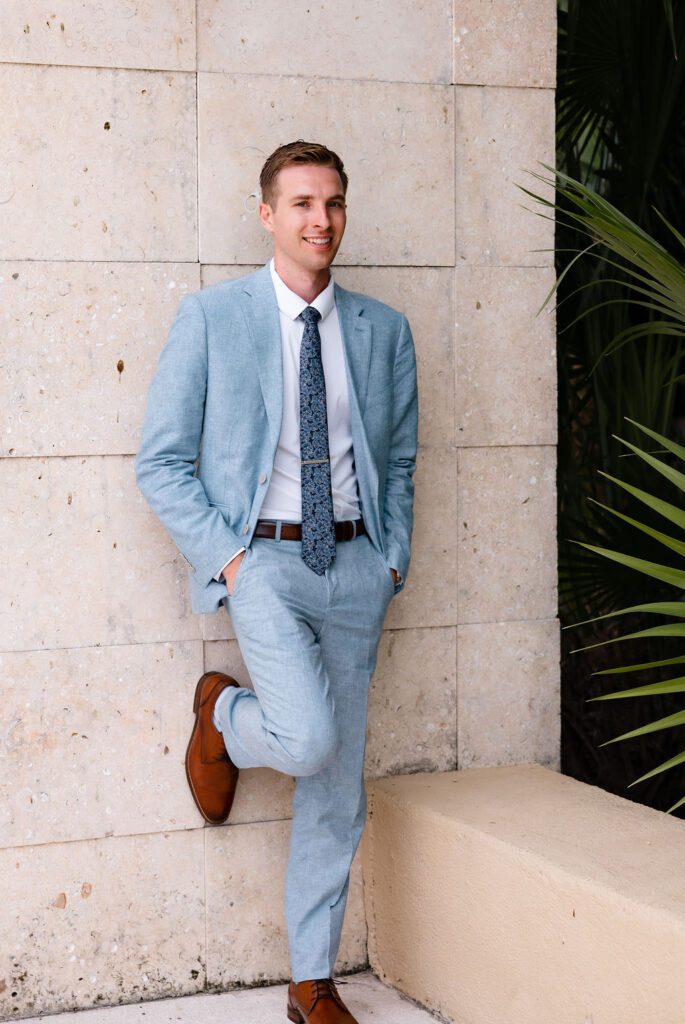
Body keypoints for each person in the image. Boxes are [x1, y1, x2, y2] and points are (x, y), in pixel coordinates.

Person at [135, 139, 418, 1024]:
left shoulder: (381, 331)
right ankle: (220, 715)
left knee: (338, 785)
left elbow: (400, 458)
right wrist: (229, 560)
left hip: (357, 566)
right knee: (305, 743)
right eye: (300, 204)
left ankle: (311, 981)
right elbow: (161, 463)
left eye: (331, 204)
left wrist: (392, 555)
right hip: (260, 561)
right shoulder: (213, 319)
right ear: (268, 214)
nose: (319, 221)